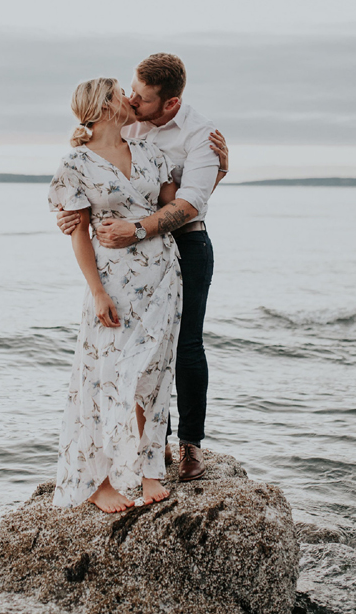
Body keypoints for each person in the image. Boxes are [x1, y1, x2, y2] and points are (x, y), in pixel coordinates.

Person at [57, 54, 229, 483]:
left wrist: (216, 174)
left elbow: (186, 203)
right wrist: (72, 216)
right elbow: (90, 178)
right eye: (129, 92)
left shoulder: (201, 135)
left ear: (170, 104)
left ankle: (189, 446)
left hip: (184, 243)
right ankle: (154, 446)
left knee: (183, 346)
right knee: (135, 350)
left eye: (142, 97)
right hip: (125, 257)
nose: (132, 101)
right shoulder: (126, 121)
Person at [48, 77, 183, 513]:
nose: (130, 98)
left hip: (162, 275)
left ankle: (146, 470)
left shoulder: (150, 152)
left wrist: (217, 170)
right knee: (104, 374)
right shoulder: (76, 164)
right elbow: (80, 235)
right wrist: (98, 292)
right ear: (106, 106)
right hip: (113, 284)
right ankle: (98, 480)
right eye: (120, 93)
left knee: (151, 373)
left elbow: (173, 209)